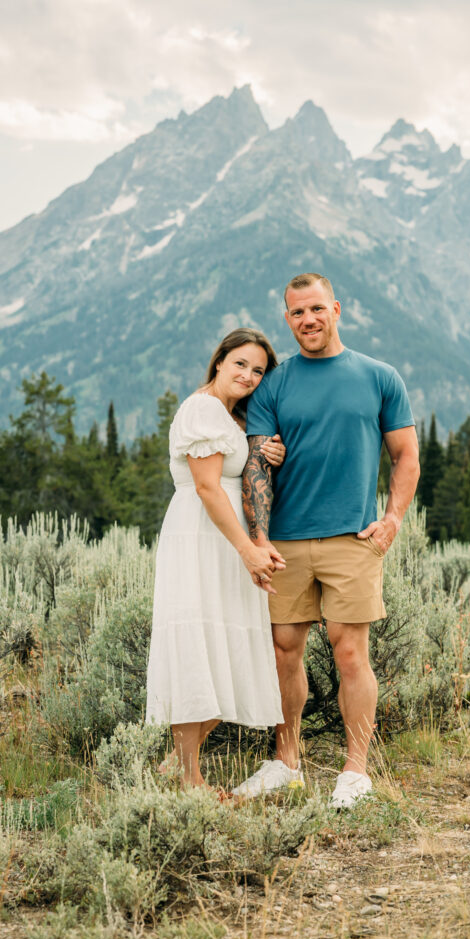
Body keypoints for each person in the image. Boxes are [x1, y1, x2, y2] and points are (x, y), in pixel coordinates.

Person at [235, 273, 420, 808]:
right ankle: (286, 762)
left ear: (336, 309)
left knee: (350, 651)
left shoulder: (380, 377)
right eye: (296, 313)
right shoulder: (275, 384)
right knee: (283, 651)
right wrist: (261, 538)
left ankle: (355, 770)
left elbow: (405, 454)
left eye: (316, 309)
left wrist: (393, 519)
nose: (308, 321)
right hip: (286, 543)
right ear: (287, 318)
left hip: (353, 540)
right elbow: (255, 467)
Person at [145, 328, 287, 789]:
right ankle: (190, 780)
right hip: (202, 537)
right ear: (220, 361)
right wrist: (248, 549)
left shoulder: (229, 416)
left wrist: (266, 452)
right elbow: (207, 486)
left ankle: (174, 765)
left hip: (226, 540)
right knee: (196, 648)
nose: (248, 375)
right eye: (241, 363)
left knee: (221, 651)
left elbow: (235, 472)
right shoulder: (202, 408)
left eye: (259, 370)